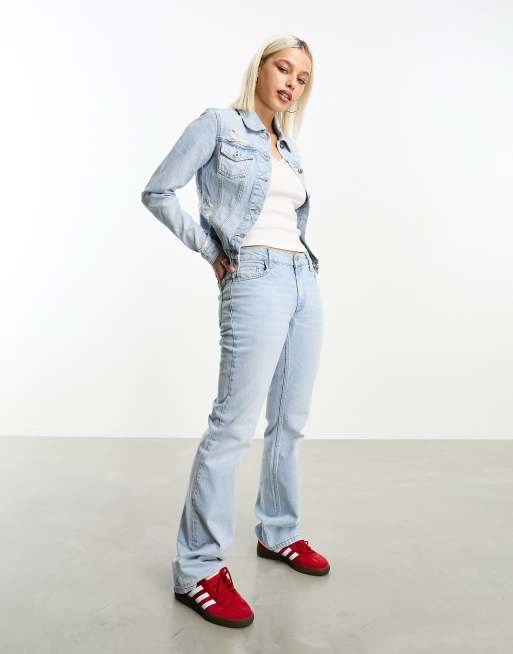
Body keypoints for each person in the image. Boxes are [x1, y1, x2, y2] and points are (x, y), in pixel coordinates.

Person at [141, 32, 329, 629]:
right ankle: (197, 568)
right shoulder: (218, 125)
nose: (291, 83)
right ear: (260, 67)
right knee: (232, 427)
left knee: (290, 420)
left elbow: (289, 217)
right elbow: (158, 191)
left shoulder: (288, 148)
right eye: (284, 69)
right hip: (255, 278)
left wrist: (302, 269)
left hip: (302, 279)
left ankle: (279, 532)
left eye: (302, 78)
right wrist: (212, 250)